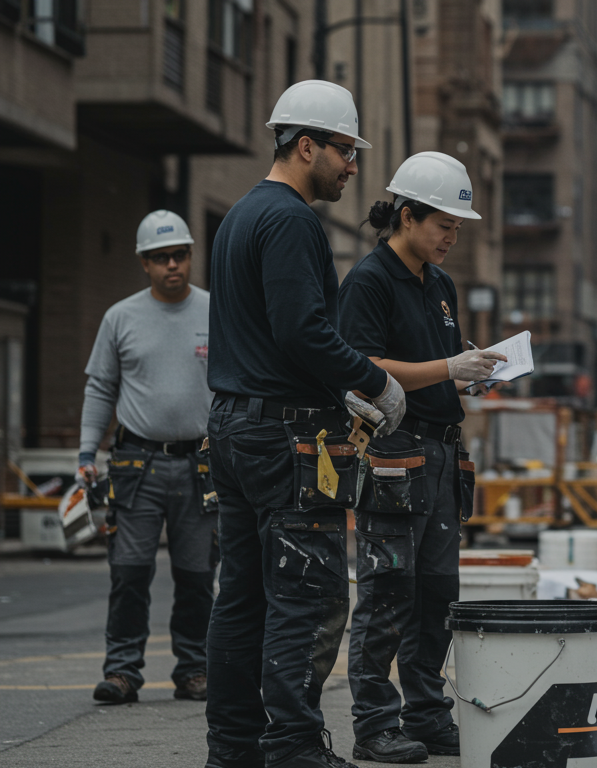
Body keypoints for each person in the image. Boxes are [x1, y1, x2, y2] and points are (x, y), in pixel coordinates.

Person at [203, 79, 408, 768]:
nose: (352, 166)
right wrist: (374, 381)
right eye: (345, 151)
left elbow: (272, 336)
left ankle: (233, 748)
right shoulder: (292, 221)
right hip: (282, 439)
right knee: (303, 592)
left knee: (241, 598)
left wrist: (336, 388)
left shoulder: (241, 216)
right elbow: (302, 332)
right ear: (306, 146)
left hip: (234, 426)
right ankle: (292, 746)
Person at [337, 152, 506, 764]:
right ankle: (374, 724)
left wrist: (467, 376)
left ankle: (427, 715)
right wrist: (447, 367)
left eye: (458, 227)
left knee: (436, 593)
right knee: (387, 590)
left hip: (439, 451)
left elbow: (434, 367)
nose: (451, 237)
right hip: (392, 451)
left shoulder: (440, 285)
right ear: (406, 216)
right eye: (444, 225)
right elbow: (363, 367)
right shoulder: (369, 281)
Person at [79, 209, 217, 706]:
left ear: (191, 255)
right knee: (130, 572)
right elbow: (101, 389)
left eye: (179, 254)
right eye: (161, 257)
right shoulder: (120, 318)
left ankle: (194, 670)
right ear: (144, 262)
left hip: (202, 466)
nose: (172, 265)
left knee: (197, 577)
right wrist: (86, 453)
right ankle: (121, 672)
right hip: (136, 464)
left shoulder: (216, 312)